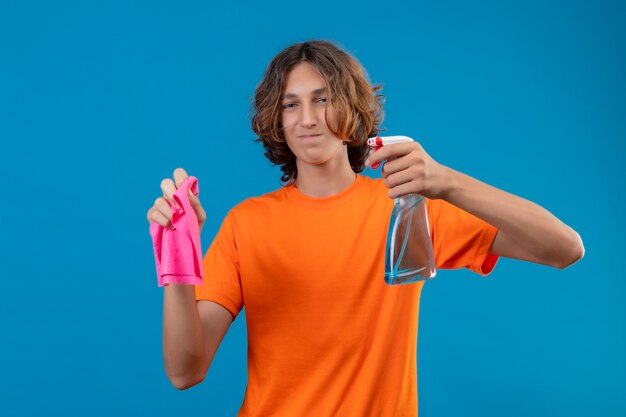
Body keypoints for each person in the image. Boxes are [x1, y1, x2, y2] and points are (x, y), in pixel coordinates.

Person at [146, 40, 584, 416]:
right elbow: (186, 370)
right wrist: (177, 256)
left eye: (322, 99)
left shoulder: (408, 210)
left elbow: (564, 248)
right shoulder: (247, 223)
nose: (307, 118)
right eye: (291, 104)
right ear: (277, 120)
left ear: (351, 107)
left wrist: (447, 182)